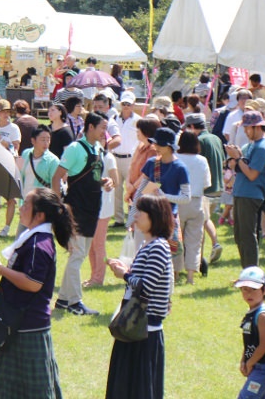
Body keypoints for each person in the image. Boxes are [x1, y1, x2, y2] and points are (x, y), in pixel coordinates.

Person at [0, 188, 73, 399]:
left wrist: (2, 271)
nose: (21, 209)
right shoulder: (33, 239)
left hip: (28, 327)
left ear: (39, 215)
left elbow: (33, 284)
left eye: (26, 206)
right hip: (20, 324)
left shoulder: (38, 245)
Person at [105, 195, 175, 399]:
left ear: (153, 216)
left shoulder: (158, 247)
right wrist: (127, 271)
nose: (134, 216)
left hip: (144, 331)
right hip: (136, 328)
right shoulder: (149, 245)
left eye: (139, 212)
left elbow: (146, 286)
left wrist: (124, 275)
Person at [51, 111, 114, 316]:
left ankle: (62, 300)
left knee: (80, 253)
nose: (106, 132)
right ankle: (75, 302)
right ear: (90, 127)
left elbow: (90, 176)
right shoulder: (75, 148)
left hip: (92, 207)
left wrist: (104, 182)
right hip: (76, 208)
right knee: (77, 255)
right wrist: (58, 203)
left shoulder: (98, 148)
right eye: (103, 127)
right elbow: (57, 176)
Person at [224, 110, 265, 268]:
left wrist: (238, 158)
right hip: (241, 193)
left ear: (258, 127)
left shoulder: (263, 148)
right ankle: (246, 271)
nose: (245, 131)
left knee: (247, 236)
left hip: (250, 195)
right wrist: (236, 159)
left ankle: (252, 275)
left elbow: (252, 174)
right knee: (240, 236)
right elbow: (245, 167)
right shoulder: (254, 145)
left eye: (248, 128)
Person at [185, 112, 225, 263]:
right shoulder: (216, 138)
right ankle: (210, 248)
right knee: (204, 220)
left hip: (205, 188)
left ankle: (201, 257)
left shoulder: (198, 141)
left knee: (200, 224)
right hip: (218, 186)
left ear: (193, 127)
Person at [234, 266, 265, 399]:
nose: (248, 294)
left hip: (263, 368)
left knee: (246, 397)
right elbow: (249, 342)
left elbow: (264, 345)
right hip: (254, 364)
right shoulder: (251, 313)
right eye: (245, 289)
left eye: (254, 290)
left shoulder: (262, 316)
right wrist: (243, 360)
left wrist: (250, 363)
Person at [176, 131, 210, 284]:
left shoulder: (176, 158)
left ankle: (175, 274)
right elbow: (206, 184)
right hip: (196, 202)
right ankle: (190, 277)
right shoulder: (202, 160)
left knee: (175, 240)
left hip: (177, 202)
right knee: (194, 241)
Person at [0, 99, 21, 237]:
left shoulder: (14, 128)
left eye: (8, 111)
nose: (6, 114)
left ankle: (7, 227)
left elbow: (15, 147)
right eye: (3, 111)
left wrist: (1, 140)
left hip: (9, 164)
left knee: (11, 199)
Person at [88, 148, 118, 286]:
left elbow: (116, 181)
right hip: (89, 206)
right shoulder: (87, 155)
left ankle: (98, 278)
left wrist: (107, 182)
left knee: (99, 245)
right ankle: (93, 276)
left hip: (103, 208)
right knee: (90, 245)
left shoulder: (109, 157)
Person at [113, 90, 142, 227]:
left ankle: (132, 218)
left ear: (133, 105)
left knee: (131, 189)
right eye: (124, 103)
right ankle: (118, 219)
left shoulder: (138, 121)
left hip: (131, 159)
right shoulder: (114, 118)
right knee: (116, 190)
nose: (126, 106)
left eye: (128, 104)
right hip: (115, 157)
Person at [18, 126, 60, 208]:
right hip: (26, 201)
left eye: (48, 139)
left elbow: (55, 185)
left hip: (42, 204)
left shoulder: (53, 161)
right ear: (33, 141)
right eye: (43, 140)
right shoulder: (26, 154)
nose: (46, 143)